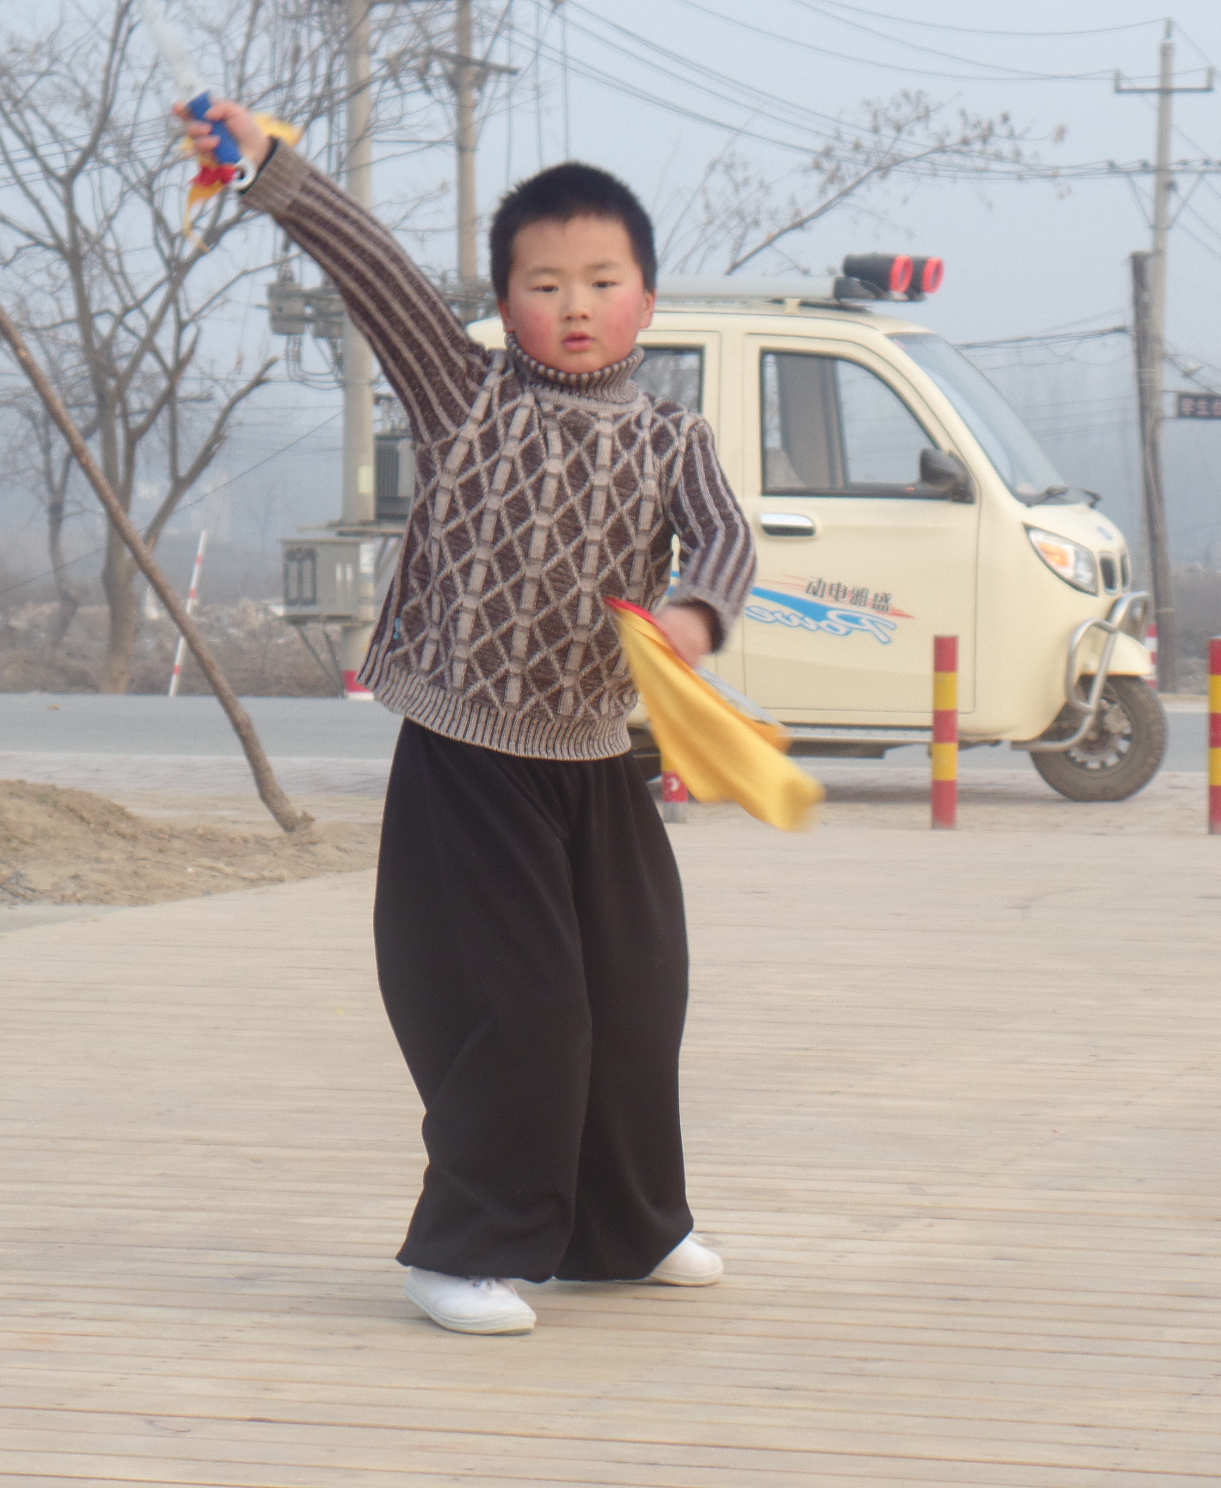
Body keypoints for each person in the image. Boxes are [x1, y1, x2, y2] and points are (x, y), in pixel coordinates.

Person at [181, 101, 755, 1333]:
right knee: (527, 1007)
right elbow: (375, 269)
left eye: (604, 278)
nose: (578, 302)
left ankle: (626, 1228)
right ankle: (462, 1248)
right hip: (469, 756)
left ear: (647, 300)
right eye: (545, 284)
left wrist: (696, 621)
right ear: (508, 308)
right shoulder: (465, 397)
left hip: (597, 760)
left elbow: (722, 537)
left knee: (640, 990)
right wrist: (269, 169)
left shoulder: (672, 437)